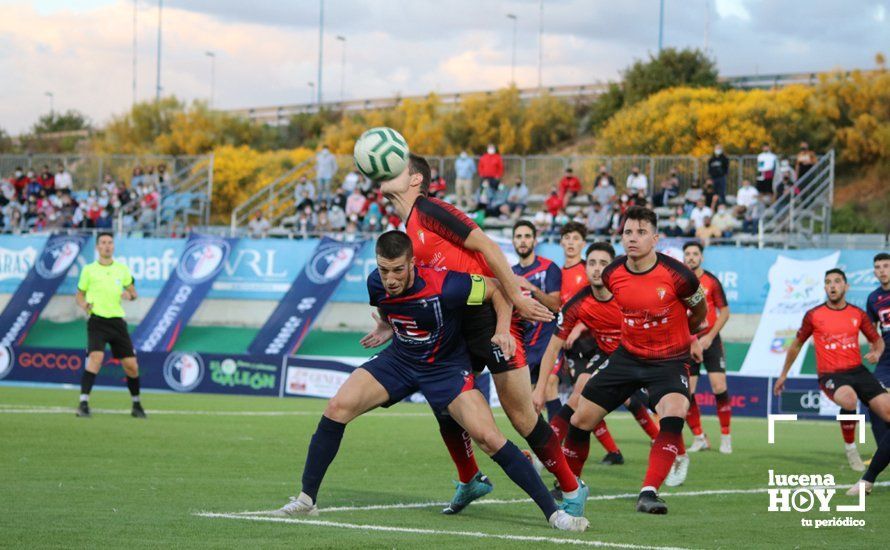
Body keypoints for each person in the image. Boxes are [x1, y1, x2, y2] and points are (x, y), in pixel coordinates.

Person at [275, 232, 588, 532]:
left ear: (413, 263)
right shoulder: (376, 283)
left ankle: (555, 514)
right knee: (336, 407)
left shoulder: (447, 285)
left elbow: (496, 289)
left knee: (489, 438)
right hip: (400, 360)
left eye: (398, 270)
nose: (391, 278)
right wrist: (387, 325)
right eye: (385, 270)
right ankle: (306, 500)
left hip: (445, 368)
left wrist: (503, 329)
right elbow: (388, 306)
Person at [378, 153, 587, 517]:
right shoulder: (408, 227)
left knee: (521, 416)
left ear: (415, 180)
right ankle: (469, 478)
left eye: (395, 168)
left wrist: (516, 303)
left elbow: (488, 247)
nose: (384, 171)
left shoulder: (432, 210)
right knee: (445, 403)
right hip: (454, 322)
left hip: (491, 315)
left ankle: (571, 487)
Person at [568, 206, 707, 514]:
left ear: (655, 238)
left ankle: (648, 492)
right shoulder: (612, 273)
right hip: (627, 357)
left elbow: (700, 312)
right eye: (628, 232)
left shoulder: (679, 275)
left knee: (675, 411)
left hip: (669, 361)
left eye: (641, 232)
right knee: (580, 419)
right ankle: (569, 485)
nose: (633, 238)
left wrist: (691, 334)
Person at [532, 242, 661, 478]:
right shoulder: (578, 303)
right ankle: (551, 456)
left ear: (612, 268)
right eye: (591, 263)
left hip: (639, 354)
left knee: (662, 405)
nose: (596, 268)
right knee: (579, 398)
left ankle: (673, 449)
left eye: (603, 263)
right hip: (606, 354)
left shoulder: (629, 293)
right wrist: (539, 389)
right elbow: (553, 347)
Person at [775, 269, 888, 482]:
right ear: (825, 287)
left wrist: (877, 352)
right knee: (849, 399)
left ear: (846, 286)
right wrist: (783, 375)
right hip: (831, 374)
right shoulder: (814, 315)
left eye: (837, 281)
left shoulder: (857, 314)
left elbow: (878, 340)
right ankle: (851, 449)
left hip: (858, 371)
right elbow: (796, 345)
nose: (832, 285)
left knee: (888, 411)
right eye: (828, 282)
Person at [75, 233, 144, 419]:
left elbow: (133, 292)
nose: (107, 246)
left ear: (114, 247)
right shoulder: (89, 270)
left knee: (131, 366)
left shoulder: (122, 270)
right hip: (97, 320)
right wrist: (84, 305)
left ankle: (136, 405)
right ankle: (83, 404)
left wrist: (130, 296)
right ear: (97, 247)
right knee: (95, 359)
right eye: (103, 243)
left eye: (110, 243)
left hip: (117, 323)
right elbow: (79, 294)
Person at [682, 242, 733, 454]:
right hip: (689, 342)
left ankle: (726, 437)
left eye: (695, 254)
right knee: (687, 393)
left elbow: (725, 312)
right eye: (688, 254)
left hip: (710, 341)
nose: (691, 257)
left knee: (719, 387)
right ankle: (699, 436)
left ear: (701, 258)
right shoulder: (679, 281)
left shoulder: (711, 281)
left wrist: (710, 337)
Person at [511, 221, 562, 414]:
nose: (523, 241)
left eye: (527, 236)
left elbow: (556, 305)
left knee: (549, 386)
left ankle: (560, 443)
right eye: (518, 237)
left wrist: (532, 288)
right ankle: (544, 444)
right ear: (513, 241)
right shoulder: (510, 274)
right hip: (525, 345)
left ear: (535, 240)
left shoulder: (549, 268)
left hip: (549, 341)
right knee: (530, 404)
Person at [865, 252, 890, 443]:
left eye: (886, 266)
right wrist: (874, 351)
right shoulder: (873, 298)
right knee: (873, 401)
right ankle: (884, 451)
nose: (882, 271)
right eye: (878, 267)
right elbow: (872, 332)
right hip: (886, 359)